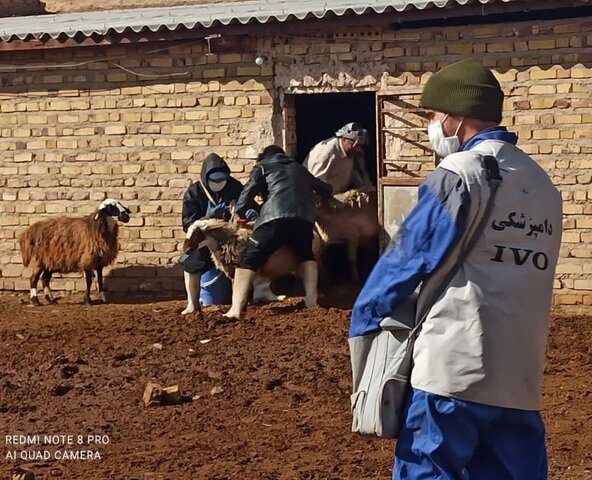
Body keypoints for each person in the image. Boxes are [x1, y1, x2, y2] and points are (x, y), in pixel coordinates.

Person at [350, 58, 563, 479]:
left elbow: (406, 260)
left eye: (431, 116)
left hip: (452, 371)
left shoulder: (461, 174)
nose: (432, 126)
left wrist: (365, 325)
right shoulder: (543, 185)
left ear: (456, 116)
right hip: (519, 376)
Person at [223, 145, 333, 319]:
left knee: (248, 259)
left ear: (263, 157)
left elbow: (248, 191)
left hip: (274, 219)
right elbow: (325, 188)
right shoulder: (298, 168)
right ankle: (311, 302)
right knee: (306, 255)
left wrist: (241, 212)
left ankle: (236, 309)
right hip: (303, 220)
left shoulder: (263, 167)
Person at [180, 153, 256, 315]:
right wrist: (207, 219)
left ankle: (241, 301)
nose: (219, 183)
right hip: (204, 239)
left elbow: (248, 205)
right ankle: (192, 303)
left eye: (222, 179)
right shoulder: (194, 193)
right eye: (214, 180)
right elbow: (188, 224)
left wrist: (250, 213)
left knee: (242, 260)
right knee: (191, 262)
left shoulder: (235, 187)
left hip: (229, 238)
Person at [303, 122, 373, 194]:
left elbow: (362, 177)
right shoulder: (326, 153)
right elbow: (314, 185)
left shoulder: (354, 153)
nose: (358, 149)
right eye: (355, 145)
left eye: (360, 146)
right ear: (344, 138)